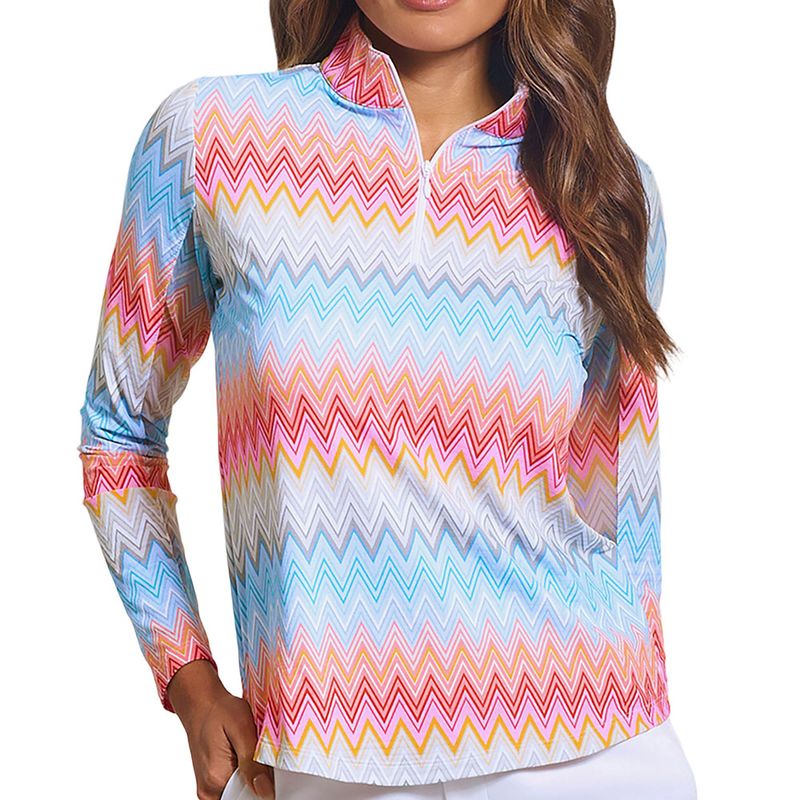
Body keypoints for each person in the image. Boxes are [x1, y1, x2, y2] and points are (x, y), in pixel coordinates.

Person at [76, 1, 697, 798]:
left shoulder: (603, 186)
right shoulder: (216, 137)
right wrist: (188, 679)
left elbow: (623, 512)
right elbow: (118, 435)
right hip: (326, 752)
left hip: (590, 745)